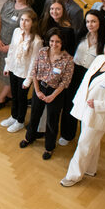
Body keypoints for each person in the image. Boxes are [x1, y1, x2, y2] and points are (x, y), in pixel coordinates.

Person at [60, 37, 105, 187]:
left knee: (84, 143)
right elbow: (87, 81)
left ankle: (73, 176)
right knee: (92, 141)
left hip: (100, 114)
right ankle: (90, 169)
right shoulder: (99, 59)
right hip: (86, 109)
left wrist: (98, 105)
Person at [19, 28, 74, 159]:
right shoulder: (42, 52)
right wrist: (37, 91)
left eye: (57, 42)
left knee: (52, 121)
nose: (54, 44)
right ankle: (29, 137)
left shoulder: (68, 60)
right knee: (34, 115)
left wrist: (52, 96)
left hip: (56, 92)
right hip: (40, 88)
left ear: (62, 43)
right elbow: (34, 72)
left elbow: (65, 83)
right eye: (52, 41)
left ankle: (49, 147)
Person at [58, 9, 105, 147]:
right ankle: (67, 133)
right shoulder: (80, 36)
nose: (90, 24)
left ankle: (84, 137)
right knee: (70, 103)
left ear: (100, 22)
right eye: (87, 21)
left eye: (93, 21)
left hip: (91, 76)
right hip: (75, 72)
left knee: (87, 106)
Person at [0, 0, 36, 112]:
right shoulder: (8, 4)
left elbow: (27, 36)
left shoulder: (29, 12)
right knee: (4, 72)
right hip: (1, 44)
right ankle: (10, 95)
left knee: (11, 73)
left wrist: (9, 47)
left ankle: (1, 98)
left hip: (15, 50)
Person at [0, 10, 42, 134]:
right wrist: (7, 67)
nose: (23, 23)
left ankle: (20, 120)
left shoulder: (37, 41)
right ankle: (13, 116)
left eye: (27, 20)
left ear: (33, 23)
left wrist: (28, 80)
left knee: (22, 97)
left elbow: (34, 62)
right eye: (22, 19)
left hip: (24, 73)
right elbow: (12, 49)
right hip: (14, 68)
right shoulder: (17, 32)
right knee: (14, 95)